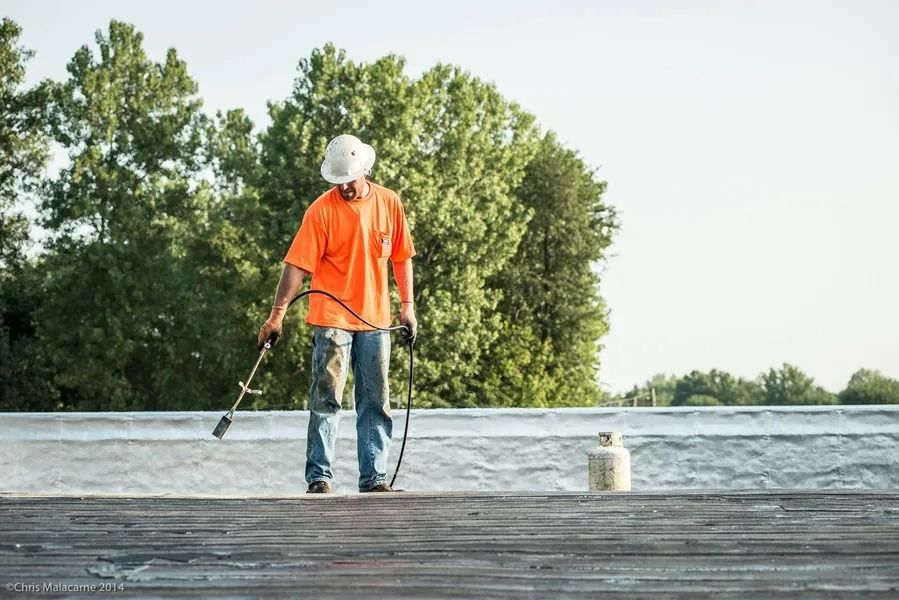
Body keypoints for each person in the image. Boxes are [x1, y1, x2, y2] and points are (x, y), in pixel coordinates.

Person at [257, 134, 417, 494]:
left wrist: (407, 307)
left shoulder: (389, 204)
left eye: (349, 179)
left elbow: (402, 258)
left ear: (365, 171)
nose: (344, 186)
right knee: (327, 396)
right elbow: (296, 266)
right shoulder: (321, 211)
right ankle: (319, 477)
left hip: (376, 319)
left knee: (376, 399)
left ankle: (374, 477)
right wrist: (276, 315)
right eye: (337, 181)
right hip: (332, 319)